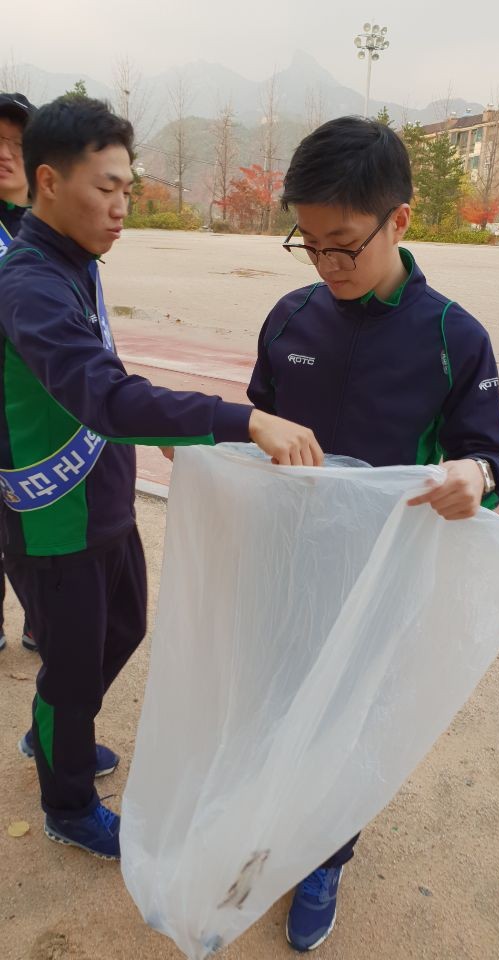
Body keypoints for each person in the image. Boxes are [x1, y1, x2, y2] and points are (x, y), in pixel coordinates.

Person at [0, 96, 322, 861]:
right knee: (74, 670)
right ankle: (67, 801)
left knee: (123, 629)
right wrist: (242, 420)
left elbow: (99, 385)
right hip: (55, 518)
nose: (122, 206)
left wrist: (168, 430)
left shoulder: (73, 260)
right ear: (50, 182)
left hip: (103, 496)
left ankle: (56, 726)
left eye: (127, 187)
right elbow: (105, 396)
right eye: (105, 188)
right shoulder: (29, 286)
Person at [247, 116, 499, 952]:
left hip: (382, 577)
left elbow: (488, 456)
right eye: (310, 245)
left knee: (350, 719)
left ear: (398, 219)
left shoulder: (453, 337)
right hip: (289, 561)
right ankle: (270, 823)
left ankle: (326, 857)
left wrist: (475, 477)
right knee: (280, 698)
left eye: (345, 246)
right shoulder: (290, 319)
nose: (327, 266)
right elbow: (255, 422)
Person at [0, 91, 37, 652]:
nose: (5, 154)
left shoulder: (59, 230)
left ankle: (40, 616)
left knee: (34, 524)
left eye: (17, 144)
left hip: (35, 413)